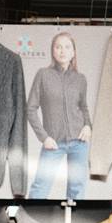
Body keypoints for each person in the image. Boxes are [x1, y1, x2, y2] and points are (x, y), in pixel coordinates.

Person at [26, 31, 92, 201]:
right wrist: (44, 137)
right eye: (58, 47)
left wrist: (88, 126)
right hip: (53, 142)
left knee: (77, 190)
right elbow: (30, 109)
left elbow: (83, 107)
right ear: (52, 51)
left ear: (73, 52)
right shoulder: (43, 75)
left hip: (79, 142)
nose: (62, 51)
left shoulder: (80, 79)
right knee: (40, 188)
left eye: (67, 47)